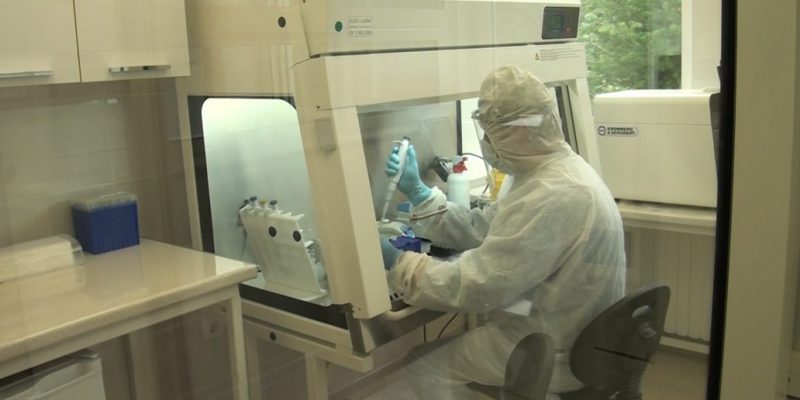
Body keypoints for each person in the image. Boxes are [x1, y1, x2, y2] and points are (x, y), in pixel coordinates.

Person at [380, 65, 626, 399]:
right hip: (567, 331)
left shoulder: (556, 193)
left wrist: (400, 264)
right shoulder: (553, 172)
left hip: (551, 349)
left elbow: (478, 285)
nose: (486, 142)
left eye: (491, 132)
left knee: (423, 365)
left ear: (522, 130)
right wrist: (421, 195)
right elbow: (486, 227)